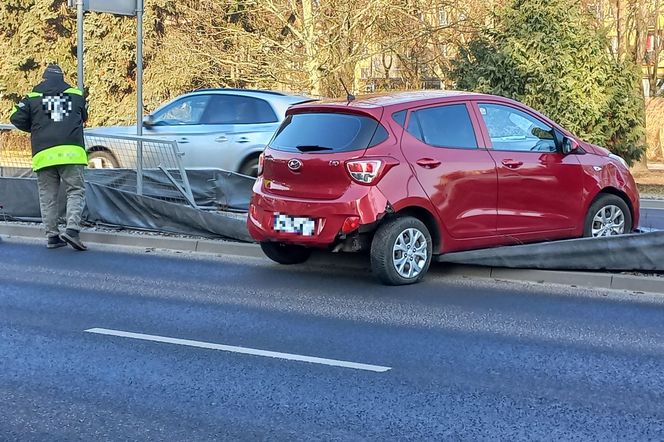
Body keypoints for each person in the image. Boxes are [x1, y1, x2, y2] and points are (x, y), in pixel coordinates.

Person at [10, 63, 89, 251]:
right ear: (62, 78)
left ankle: (52, 236)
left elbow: (15, 117)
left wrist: (36, 127)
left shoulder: (32, 97)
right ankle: (72, 230)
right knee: (75, 190)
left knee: (48, 196)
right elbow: (84, 116)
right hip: (71, 152)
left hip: (44, 153)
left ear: (44, 78)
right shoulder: (76, 95)